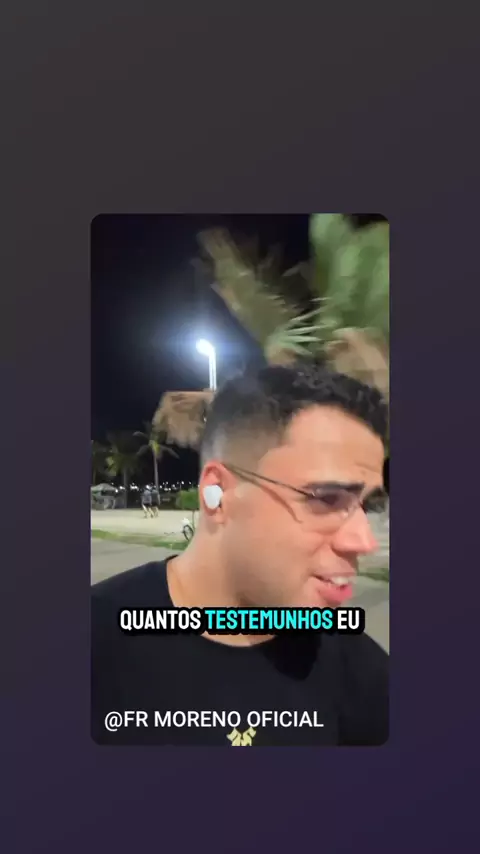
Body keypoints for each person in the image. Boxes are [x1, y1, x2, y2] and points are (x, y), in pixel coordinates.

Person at [92, 361, 389, 746]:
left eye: (367, 505)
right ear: (217, 495)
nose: (364, 541)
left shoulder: (357, 669)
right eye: (327, 498)